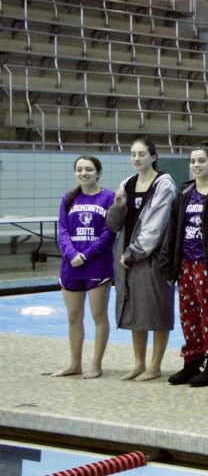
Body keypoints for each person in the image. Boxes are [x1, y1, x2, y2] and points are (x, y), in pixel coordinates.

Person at [157, 143, 208, 387]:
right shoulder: (183, 195)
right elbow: (172, 232)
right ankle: (192, 361)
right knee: (189, 316)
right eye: (192, 161)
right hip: (186, 265)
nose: (195, 165)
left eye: (201, 161)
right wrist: (168, 264)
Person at [108, 136, 177, 381]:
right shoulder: (126, 184)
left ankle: (155, 365)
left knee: (157, 310)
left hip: (154, 258)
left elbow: (155, 226)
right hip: (128, 257)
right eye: (133, 154)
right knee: (134, 308)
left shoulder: (164, 184)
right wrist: (117, 207)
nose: (136, 158)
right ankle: (139, 363)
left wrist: (134, 252)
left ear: (153, 157)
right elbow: (114, 226)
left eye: (142, 154)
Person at [52, 156, 116, 379]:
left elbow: (110, 232)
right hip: (71, 266)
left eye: (89, 169)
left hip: (97, 264)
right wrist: (71, 254)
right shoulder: (69, 199)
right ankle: (75, 363)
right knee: (73, 317)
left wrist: (86, 255)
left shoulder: (109, 197)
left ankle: (96, 364)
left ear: (98, 172)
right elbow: (62, 230)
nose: (83, 173)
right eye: (79, 169)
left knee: (99, 315)